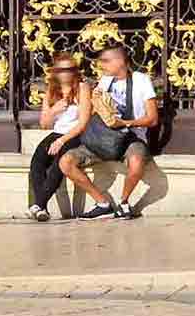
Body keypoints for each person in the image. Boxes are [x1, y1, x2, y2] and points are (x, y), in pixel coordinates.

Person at [71, 43, 157, 218]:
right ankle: (102, 203)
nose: (101, 65)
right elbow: (95, 113)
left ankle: (124, 202)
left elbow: (153, 118)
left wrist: (125, 123)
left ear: (120, 61)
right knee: (66, 162)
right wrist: (93, 102)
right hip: (106, 137)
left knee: (136, 162)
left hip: (132, 136)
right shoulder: (105, 81)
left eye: (106, 61)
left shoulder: (141, 80)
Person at [25, 52, 98, 221]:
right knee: (37, 161)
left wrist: (62, 140)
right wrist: (54, 110)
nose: (66, 73)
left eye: (70, 69)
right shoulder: (51, 90)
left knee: (60, 160)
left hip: (76, 134)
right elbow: (44, 123)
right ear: (55, 72)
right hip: (57, 133)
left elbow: (84, 122)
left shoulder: (82, 88)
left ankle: (39, 204)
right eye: (61, 70)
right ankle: (41, 208)